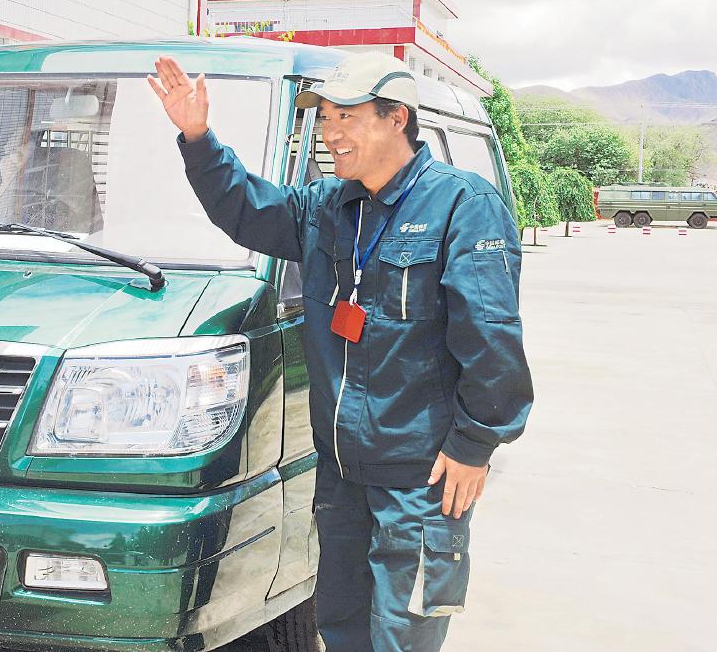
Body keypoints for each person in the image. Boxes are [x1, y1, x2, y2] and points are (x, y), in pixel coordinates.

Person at [148, 52, 533, 652]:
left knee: (404, 634)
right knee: (342, 626)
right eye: (325, 118)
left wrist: (474, 445)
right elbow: (245, 208)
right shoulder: (325, 207)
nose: (331, 134)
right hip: (342, 476)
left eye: (347, 116)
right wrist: (198, 138)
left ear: (396, 118)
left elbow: (491, 335)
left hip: (421, 478)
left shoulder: (462, 205)